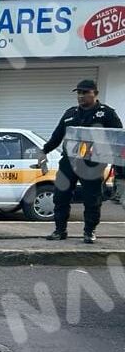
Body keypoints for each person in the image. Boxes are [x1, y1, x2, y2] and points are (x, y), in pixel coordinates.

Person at [36, 79, 122, 244]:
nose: (81, 96)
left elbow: (117, 139)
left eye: (85, 93)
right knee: (60, 197)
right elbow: (57, 136)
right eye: (79, 93)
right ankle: (60, 230)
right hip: (69, 162)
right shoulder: (70, 114)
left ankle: (89, 232)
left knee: (92, 199)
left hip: (93, 164)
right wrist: (43, 151)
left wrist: (117, 165)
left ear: (95, 94)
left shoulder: (107, 113)